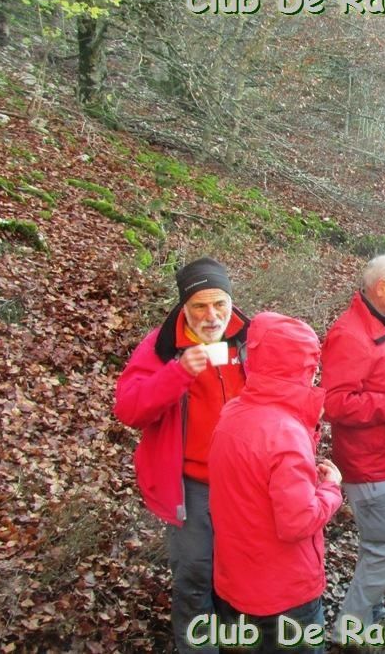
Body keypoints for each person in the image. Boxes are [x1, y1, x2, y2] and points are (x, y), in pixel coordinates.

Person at [113, 257, 249, 653]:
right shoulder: (163, 346)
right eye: (200, 306)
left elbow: (285, 388)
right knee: (194, 574)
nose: (212, 316)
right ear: (184, 307)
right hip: (192, 484)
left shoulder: (249, 337)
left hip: (245, 482)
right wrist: (179, 372)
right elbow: (129, 410)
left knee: (238, 572)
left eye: (220, 304)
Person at [209, 312, 343, 653]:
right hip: (284, 594)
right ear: (305, 369)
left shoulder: (232, 413)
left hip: (234, 583)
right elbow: (298, 520)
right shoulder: (285, 432)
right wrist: (331, 489)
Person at [320, 253, 385, 641]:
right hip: (369, 463)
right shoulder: (350, 334)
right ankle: (350, 627)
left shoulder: (382, 323)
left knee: (378, 543)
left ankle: (370, 610)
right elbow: (335, 403)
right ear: (381, 287)